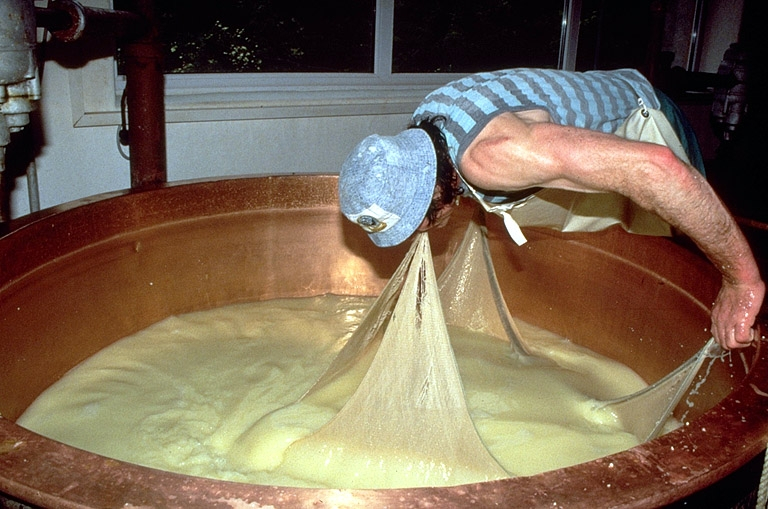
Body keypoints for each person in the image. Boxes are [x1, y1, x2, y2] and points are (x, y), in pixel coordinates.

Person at [338, 68, 764, 351]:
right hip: (603, 102)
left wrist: (741, 281)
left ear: (433, 193)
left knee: (686, 232)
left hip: (646, 117)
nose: (421, 233)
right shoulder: (426, 124)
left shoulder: (494, 155)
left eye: (417, 223)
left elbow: (659, 169)